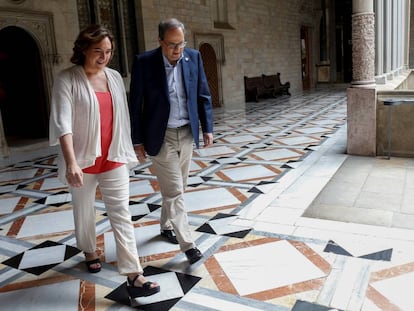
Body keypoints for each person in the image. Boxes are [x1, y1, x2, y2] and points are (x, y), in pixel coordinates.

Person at [49, 24, 160, 298]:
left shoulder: (113, 77)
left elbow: (120, 118)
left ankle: (134, 274)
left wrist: (132, 146)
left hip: (113, 158)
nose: (104, 56)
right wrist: (72, 162)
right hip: (83, 161)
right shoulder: (67, 79)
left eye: (108, 51)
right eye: (98, 50)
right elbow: (63, 123)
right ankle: (89, 250)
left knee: (121, 213)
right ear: (83, 49)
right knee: (84, 210)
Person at [129, 18, 214, 264]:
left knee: (178, 188)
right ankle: (188, 244)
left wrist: (207, 128)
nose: (178, 50)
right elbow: (135, 105)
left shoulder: (193, 57)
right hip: (160, 135)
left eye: (181, 44)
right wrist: (137, 141)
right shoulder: (144, 62)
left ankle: (166, 225)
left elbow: (203, 94)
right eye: (172, 45)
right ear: (160, 42)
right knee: (175, 190)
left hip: (187, 132)